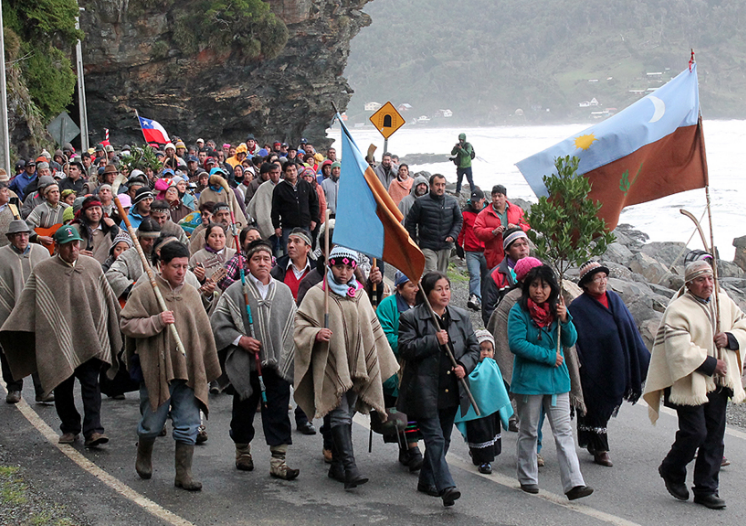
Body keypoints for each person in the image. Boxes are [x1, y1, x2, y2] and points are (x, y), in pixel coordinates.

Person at [0, 225, 122, 447]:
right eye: (67, 246)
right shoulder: (44, 271)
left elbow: (106, 301)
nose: (73, 249)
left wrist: (115, 326)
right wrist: (12, 329)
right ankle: (70, 428)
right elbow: (28, 305)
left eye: (76, 244)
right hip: (58, 341)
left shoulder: (92, 266)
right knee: (62, 386)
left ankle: (94, 430)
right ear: (57, 247)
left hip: (90, 338)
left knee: (91, 385)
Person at [643, 260, 746, 510]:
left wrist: (730, 337)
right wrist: (711, 364)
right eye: (701, 280)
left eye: (710, 279)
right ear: (689, 284)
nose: (707, 284)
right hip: (688, 383)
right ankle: (672, 468)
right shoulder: (678, 309)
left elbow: (742, 324)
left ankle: (706, 489)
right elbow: (677, 349)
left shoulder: (724, 302)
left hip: (719, 384)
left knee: (714, 437)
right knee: (695, 433)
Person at [294, 246, 398, 490]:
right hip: (330, 363)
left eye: (349, 267)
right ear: (330, 265)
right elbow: (300, 324)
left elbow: (371, 329)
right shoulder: (317, 294)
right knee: (340, 413)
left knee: (348, 412)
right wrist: (316, 333)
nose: (344, 272)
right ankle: (350, 468)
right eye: (339, 266)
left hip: (356, 364)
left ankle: (337, 465)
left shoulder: (358, 294)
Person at [121, 242, 221, 491]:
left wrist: (205, 365)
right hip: (156, 369)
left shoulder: (190, 292)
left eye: (185, 267)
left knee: (188, 423)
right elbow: (127, 324)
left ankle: (183, 474)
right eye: (175, 266)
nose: (180, 272)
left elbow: (202, 330)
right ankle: (144, 453)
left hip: (188, 370)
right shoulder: (145, 291)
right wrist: (155, 321)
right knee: (152, 423)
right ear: (161, 265)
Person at [210, 239, 300, 480]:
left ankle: (278, 460)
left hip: (276, 365)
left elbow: (293, 323)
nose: (262, 263)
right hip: (246, 366)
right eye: (256, 259)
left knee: (279, 411)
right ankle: (242, 451)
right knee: (243, 413)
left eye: (266, 259)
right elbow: (217, 324)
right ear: (248, 263)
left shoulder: (282, 292)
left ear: (272, 262)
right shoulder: (235, 291)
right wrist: (240, 340)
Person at [508, 265, 593, 500]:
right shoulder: (519, 311)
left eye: (544, 286)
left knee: (564, 433)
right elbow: (516, 344)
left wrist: (565, 320)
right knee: (529, 430)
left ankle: (574, 483)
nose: (539, 291)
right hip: (530, 382)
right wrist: (547, 356)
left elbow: (571, 339)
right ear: (527, 287)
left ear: (552, 288)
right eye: (534, 285)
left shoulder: (558, 310)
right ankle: (527, 477)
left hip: (557, 382)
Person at [397, 271, 480, 507]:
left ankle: (426, 480)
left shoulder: (461, 316)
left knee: (444, 439)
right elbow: (405, 348)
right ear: (427, 292)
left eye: (447, 288)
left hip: (451, 389)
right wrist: (434, 340)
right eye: (439, 289)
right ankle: (446, 486)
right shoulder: (411, 318)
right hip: (424, 389)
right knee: (434, 439)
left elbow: (474, 347)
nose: (445, 293)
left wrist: (464, 365)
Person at [568, 261, 650, 467]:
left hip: (617, 361)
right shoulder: (579, 307)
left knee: (609, 400)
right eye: (598, 278)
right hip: (593, 365)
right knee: (595, 404)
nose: (603, 281)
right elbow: (578, 338)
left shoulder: (614, 298)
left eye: (604, 277)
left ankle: (592, 441)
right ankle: (600, 448)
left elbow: (629, 328)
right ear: (586, 284)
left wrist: (642, 357)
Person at [375, 271, 424, 472]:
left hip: (419, 366)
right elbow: (384, 337)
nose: (416, 289)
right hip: (395, 365)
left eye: (418, 284)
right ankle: (412, 450)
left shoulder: (424, 305)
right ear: (399, 287)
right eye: (411, 285)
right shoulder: (388, 306)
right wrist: (413, 346)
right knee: (401, 408)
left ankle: (409, 448)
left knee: (416, 408)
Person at [0, 220, 50, 404]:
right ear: (10, 238)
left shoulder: (42, 253)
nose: (23, 238)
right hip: (9, 312)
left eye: (26, 234)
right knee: (9, 350)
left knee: (39, 349)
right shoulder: (1, 256)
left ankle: (43, 390)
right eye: (18, 235)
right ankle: (14, 388)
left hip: (37, 310)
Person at [454, 330, 512, 475]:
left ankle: (486, 460)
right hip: (475, 410)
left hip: (491, 411)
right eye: (481, 349)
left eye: (489, 349)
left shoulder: (492, 365)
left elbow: (498, 386)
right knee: (477, 434)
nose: (485, 353)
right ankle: (480, 458)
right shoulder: (469, 367)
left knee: (489, 434)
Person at [406, 174, 462, 274]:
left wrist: (453, 235)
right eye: (437, 185)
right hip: (427, 246)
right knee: (431, 274)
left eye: (443, 185)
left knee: (441, 276)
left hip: (445, 246)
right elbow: (410, 222)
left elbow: (458, 220)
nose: (440, 188)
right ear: (431, 186)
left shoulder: (452, 202)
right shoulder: (421, 202)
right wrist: (413, 242)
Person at [481, 228, 531, 326]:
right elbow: (488, 311)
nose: (523, 248)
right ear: (507, 250)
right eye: (517, 245)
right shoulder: (495, 275)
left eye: (525, 244)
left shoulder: (538, 270)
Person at [473, 185, 530, 269]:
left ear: (505, 197)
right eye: (494, 196)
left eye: (499, 196)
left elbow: (528, 226)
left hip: (515, 254)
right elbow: (477, 231)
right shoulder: (484, 213)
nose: (496, 199)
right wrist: (493, 231)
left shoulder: (517, 210)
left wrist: (517, 228)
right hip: (495, 256)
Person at [271, 162, 318, 253]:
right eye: (289, 171)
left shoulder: (306, 185)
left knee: (306, 251)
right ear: (284, 173)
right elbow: (275, 209)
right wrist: (276, 226)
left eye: (294, 170)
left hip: (305, 225)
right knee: (289, 252)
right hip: (288, 226)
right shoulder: (279, 189)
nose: (292, 173)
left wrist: (314, 220)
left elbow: (314, 203)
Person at [456, 187, 486, 312]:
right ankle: (475, 297)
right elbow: (461, 231)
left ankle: (486, 298)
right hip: (471, 250)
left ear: (483, 200)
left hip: (486, 250)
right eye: (473, 201)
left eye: (477, 201)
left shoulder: (489, 212)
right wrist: (459, 247)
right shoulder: (466, 213)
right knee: (474, 275)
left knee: (487, 276)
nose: (475, 203)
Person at [270, 228, 316, 302]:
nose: (291, 245)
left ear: (307, 247)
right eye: (289, 241)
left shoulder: (316, 272)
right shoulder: (277, 271)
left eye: (297, 242)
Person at [73, 196, 120, 264]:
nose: (94, 212)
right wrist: (77, 254)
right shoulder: (75, 229)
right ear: (84, 212)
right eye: (90, 209)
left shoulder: (110, 228)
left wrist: (114, 228)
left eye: (97, 208)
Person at [26, 181, 69, 251]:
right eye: (53, 192)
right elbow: (27, 227)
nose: (56, 194)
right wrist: (39, 238)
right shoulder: (39, 209)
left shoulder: (66, 208)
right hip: (42, 246)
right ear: (46, 195)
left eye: (57, 192)